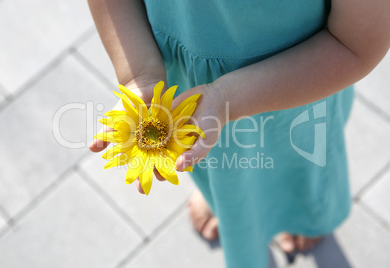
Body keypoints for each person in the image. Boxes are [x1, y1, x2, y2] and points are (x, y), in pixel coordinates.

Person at [88, 0, 390, 267]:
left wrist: (226, 99)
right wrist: (138, 74)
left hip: (292, 85)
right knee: (211, 165)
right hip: (185, 80)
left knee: (300, 167)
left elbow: (355, 44)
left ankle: (303, 217)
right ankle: (218, 198)